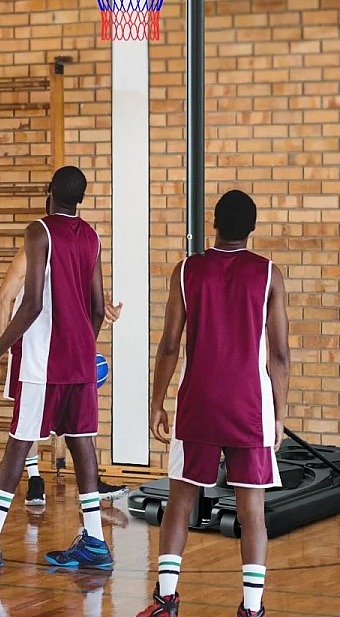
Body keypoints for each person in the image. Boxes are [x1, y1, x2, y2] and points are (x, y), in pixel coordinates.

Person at [0, 166, 114, 570]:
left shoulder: (39, 231)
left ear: (49, 192)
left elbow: (33, 303)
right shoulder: (91, 237)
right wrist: (82, 344)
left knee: (19, 443)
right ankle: (94, 541)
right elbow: (98, 308)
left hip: (44, 359)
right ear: (80, 199)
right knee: (82, 443)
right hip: (78, 360)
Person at [138, 191, 291, 617]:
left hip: (198, 403)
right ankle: (252, 608)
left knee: (180, 502)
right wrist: (279, 415)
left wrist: (156, 403)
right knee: (252, 511)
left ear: (214, 224)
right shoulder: (269, 275)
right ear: (252, 228)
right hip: (249, 406)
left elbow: (170, 345)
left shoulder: (187, 270)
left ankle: (166, 600)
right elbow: (278, 355)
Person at [0, 198, 127, 508]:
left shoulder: (82, 246)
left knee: (73, 426)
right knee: (26, 425)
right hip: (30, 347)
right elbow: (4, 300)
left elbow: (81, 305)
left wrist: (103, 314)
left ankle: (85, 490)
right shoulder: (34, 246)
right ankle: (35, 478)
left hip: (63, 351)